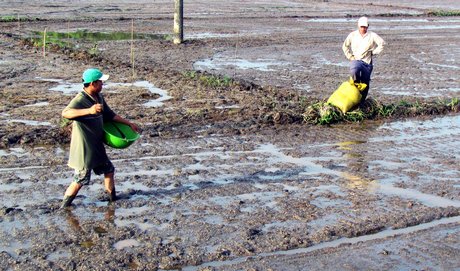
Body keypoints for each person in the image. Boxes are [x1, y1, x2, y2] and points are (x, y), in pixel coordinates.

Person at [60, 68, 140, 208]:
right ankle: (64, 206)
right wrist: (89, 111)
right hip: (85, 147)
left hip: (96, 145)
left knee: (109, 170)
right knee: (80, 180)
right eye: (101, 82)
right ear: (92, 83)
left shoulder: (99, 97)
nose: (103, 84)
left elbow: (110, 115)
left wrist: (129, 123)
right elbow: (66, 113)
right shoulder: (81, 99)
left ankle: (112, 200)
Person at [342, 16, 385, 104]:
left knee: (365, 83)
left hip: (367, 62)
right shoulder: (352, 35)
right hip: (356, 60)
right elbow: (345, 46)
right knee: (354, 71)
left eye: (365, 27)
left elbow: (382, 44)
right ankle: (355, 94)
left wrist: (374, 52)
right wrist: (350, 57)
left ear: (368, 26)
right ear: (358, 26)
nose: (363, 29)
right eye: (362, 27)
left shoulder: (372, 35)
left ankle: (361, 101)